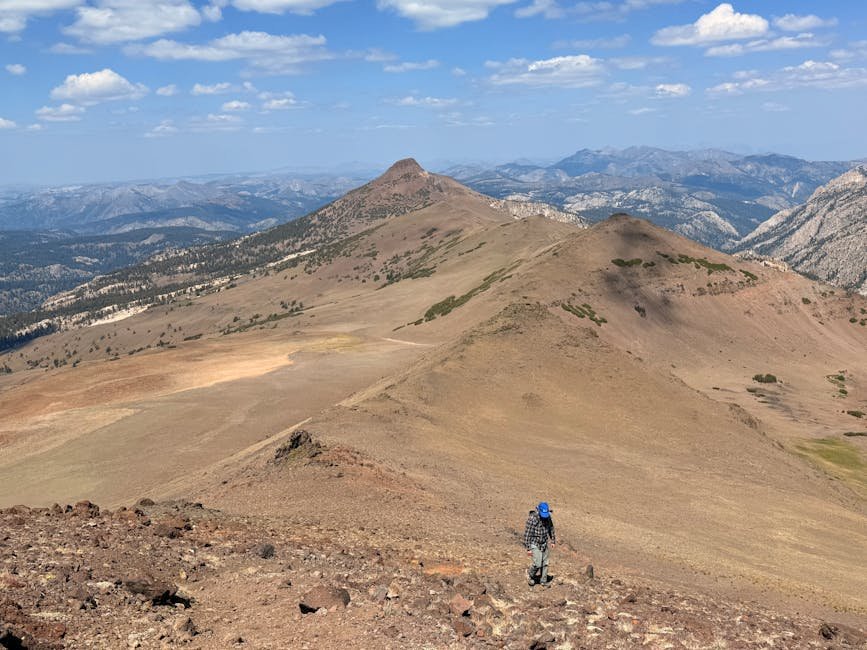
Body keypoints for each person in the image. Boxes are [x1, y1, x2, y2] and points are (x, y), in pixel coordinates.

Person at [523, 501, 556, 586]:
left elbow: (551, 528)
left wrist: (553, 540)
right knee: (537, 563)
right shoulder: (532, 518)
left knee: (545, 563)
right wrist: (528, 548)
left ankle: (543, 580)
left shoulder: (548, 517)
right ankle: (530, 575)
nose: (545, 517)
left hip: (544, 542)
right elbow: (527, 534)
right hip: (535, 543)